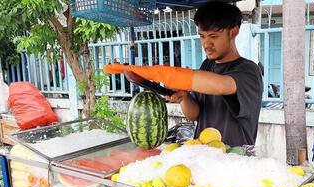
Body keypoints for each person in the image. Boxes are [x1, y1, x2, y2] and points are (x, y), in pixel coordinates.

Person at [104, 1, 263, 146]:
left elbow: (221, 85)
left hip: (234, 160)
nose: (206, 44)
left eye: (214, 36)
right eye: (202, 36)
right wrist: (184, 97)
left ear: (233, 32)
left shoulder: (248, 70)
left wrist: (161, 74)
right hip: (202, 157)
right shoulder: (207, 66)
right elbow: (196, 115)